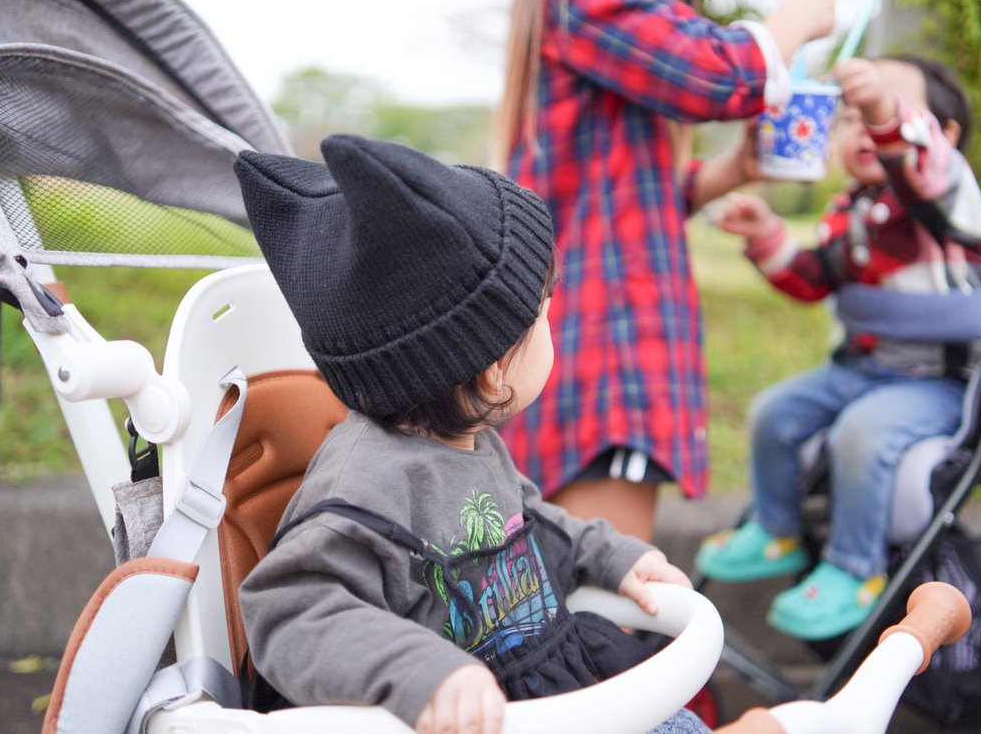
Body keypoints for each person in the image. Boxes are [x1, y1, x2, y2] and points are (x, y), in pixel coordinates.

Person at [235, 135, 708, 734]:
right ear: (493, 371)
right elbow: (290, 612)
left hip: (550, 691)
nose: (553, 324)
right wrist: (418, 671)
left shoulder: (467, 439)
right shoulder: (366, 488)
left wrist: (610, 556)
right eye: (545, 312)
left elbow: (526, 523)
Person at [493, 0, 837, 541]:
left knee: (564, 568)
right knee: (608, 585)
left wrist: (732, 171)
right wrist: (798, 17)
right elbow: (712, 71)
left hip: (582, 331)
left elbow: (617, 195)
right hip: (610, 348)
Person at [695, 55, 981, 640]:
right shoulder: (849, 210)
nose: (866, 126)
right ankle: (775, 530)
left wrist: (883, 110)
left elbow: (920, 166)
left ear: (946, 135)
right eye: (851, 117)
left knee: (861, 432)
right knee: (775, 412)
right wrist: (767, 237)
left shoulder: (947, 195)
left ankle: (855, 567)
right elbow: (814, 279)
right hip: (861, 368)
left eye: (886, 109)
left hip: (936, 380)